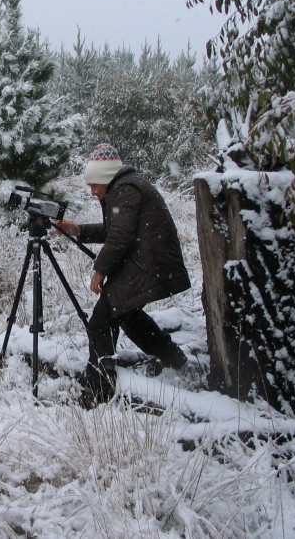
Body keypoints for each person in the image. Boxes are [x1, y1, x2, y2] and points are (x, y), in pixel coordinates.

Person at [57, 143, 190, 405]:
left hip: (147, 265)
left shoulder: (125, 189)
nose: (92, 191)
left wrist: (100, 270)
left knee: (100, 322)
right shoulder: (125, 186)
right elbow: (115, 229)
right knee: (126, 315)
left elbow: (120, 236)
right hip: (149, 262)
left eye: (95, 184)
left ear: (107, 176)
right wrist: (78, 230)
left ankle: (100, 388)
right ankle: (174, 358)